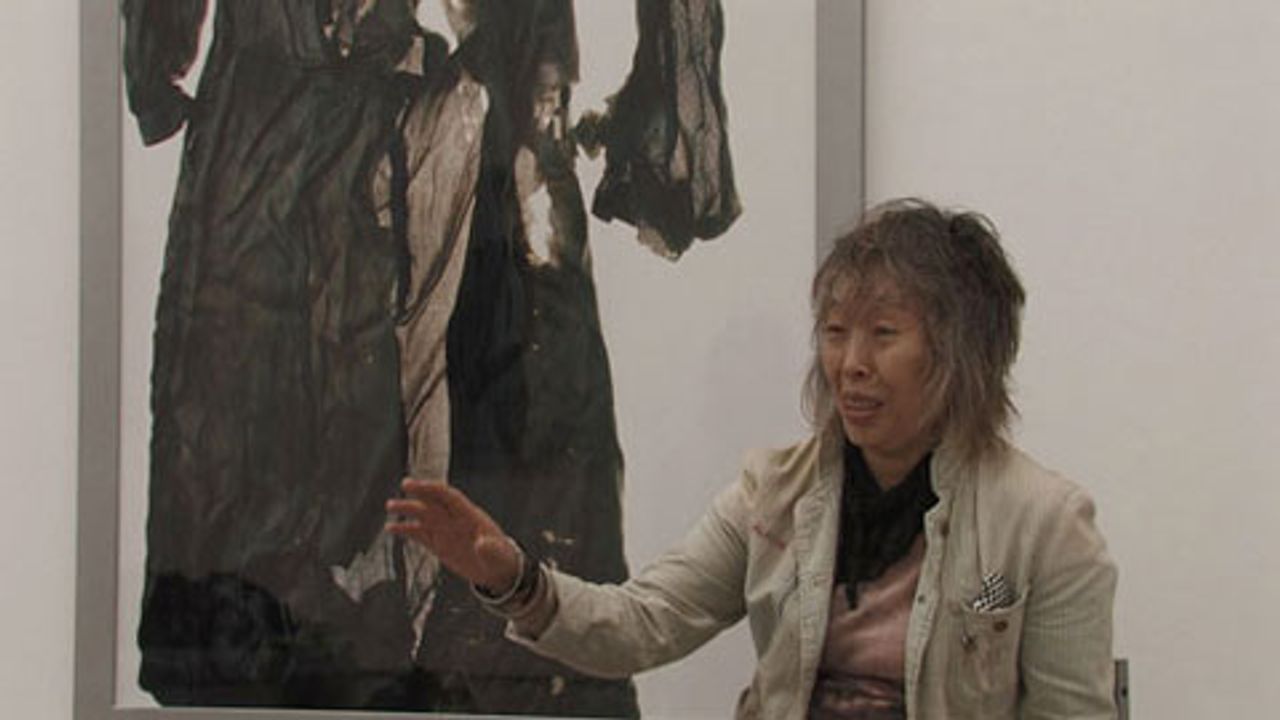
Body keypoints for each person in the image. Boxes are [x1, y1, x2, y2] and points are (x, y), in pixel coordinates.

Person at [387, 198, 1118, 719]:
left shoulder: (1046, 525)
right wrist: (513, 579)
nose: (851, 364)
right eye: (835, 331)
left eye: (883, 334)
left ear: (959, 354)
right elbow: (643, 622)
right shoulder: (775, 494)